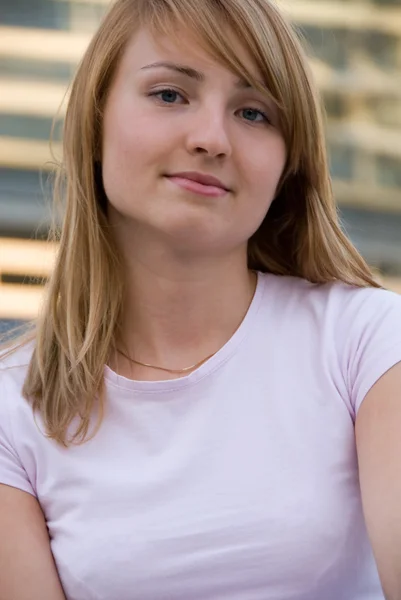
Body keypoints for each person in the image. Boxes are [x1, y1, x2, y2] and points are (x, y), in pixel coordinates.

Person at [1, 0, 401, 598]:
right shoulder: (13, 408)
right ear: (96, 119)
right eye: (169, 94)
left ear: (288, 165)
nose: (212, 139)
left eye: (253, 112)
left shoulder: (367, 341)